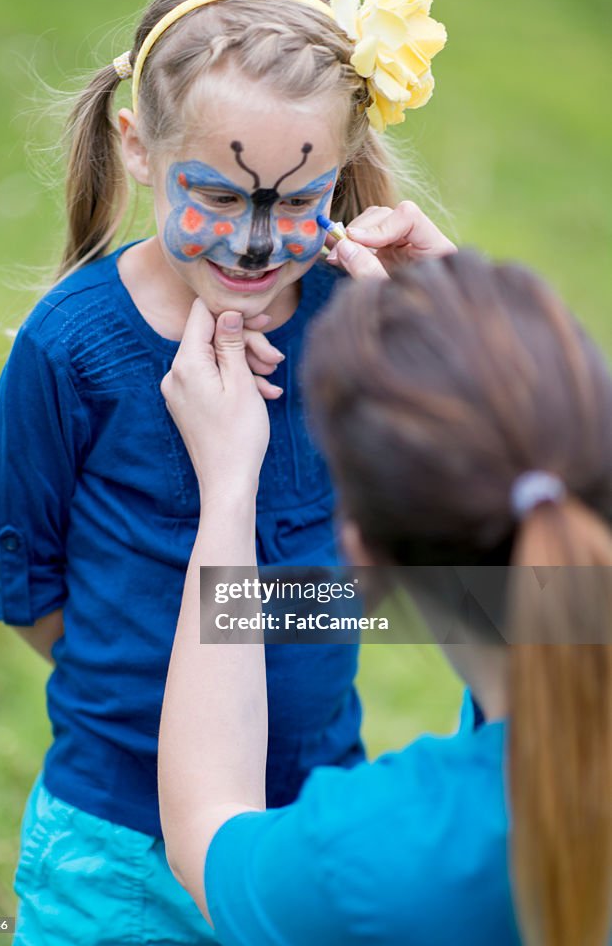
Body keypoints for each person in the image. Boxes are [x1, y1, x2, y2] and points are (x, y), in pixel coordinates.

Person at [0, 0, 452, 946]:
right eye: (219, 197)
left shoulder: (360, 320)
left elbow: (426, 555)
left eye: (293, 197)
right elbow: (23, 583)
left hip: (310, 819)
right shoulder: (73, 349)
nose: (254, 240)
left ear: (344, 160)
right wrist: (131, 673)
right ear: (140, 147)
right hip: (116, 840)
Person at [159, 244, 612, 945]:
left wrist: (226, 492)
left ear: (361, 552)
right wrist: (481, 353)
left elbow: (205, 828)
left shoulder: (372, 856)